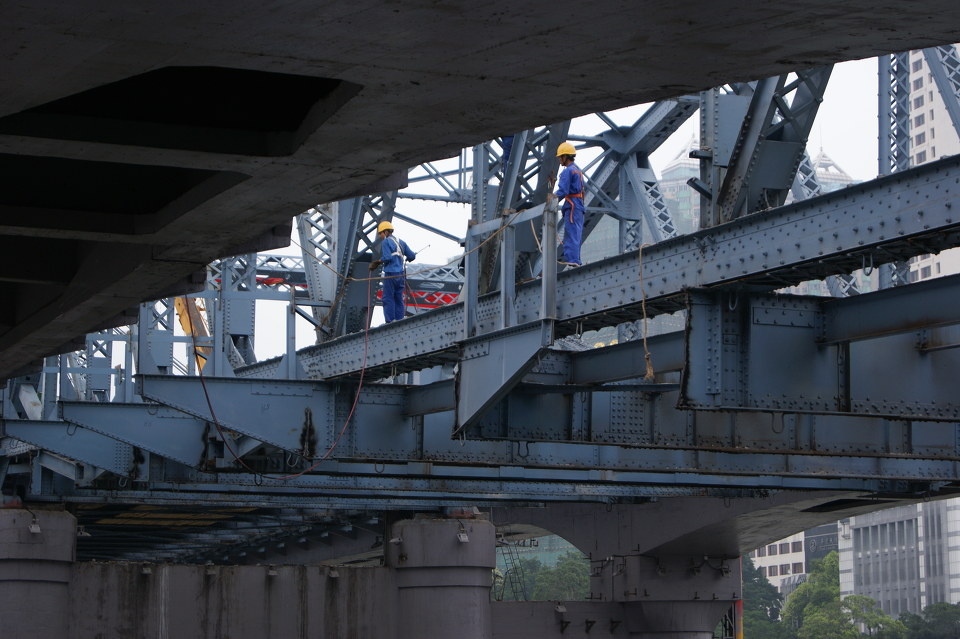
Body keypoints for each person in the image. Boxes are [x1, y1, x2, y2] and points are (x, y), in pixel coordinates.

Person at [369, 220, 416, 322]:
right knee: (398, 298)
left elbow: (387, 258)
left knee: (388, 298)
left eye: (380, 234)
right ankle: (399, 320)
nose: (380, 236)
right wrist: (407, 258)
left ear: (385, 232)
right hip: (400, 275)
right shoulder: (401, 242)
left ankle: (389, 321)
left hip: (390, 274)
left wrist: (377, 262)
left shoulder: (386, 242)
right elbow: (412, 256)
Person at [555, 141, 584, 266]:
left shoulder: (568, 171)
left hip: (572, 205)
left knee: (571, 233)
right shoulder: (578, 171)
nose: (559, 160)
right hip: (578, 205)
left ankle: (572, 260)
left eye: (560, 157)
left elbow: (563, 191)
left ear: (565, 156)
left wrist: (552, 200)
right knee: (576, 233)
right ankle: (576, 259)